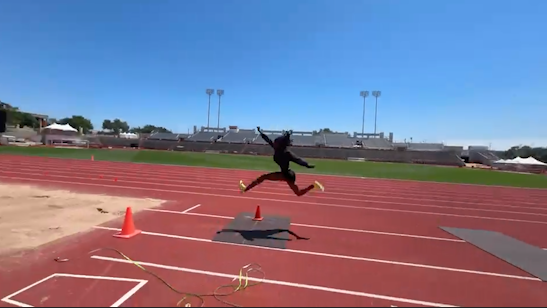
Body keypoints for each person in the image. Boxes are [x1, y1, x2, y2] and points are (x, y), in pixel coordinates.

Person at [239, 127, 324, 196]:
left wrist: (307, 165)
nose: (274, 143)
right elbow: (268, 140)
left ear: (280, 144)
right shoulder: (277, 149)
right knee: (298, 193)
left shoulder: (286, 153)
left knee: (263, 177)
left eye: (276, 142)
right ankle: (314, 185)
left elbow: (297, 160)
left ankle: (245, 189)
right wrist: (261, 133)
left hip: (286, 175)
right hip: (287, 174)